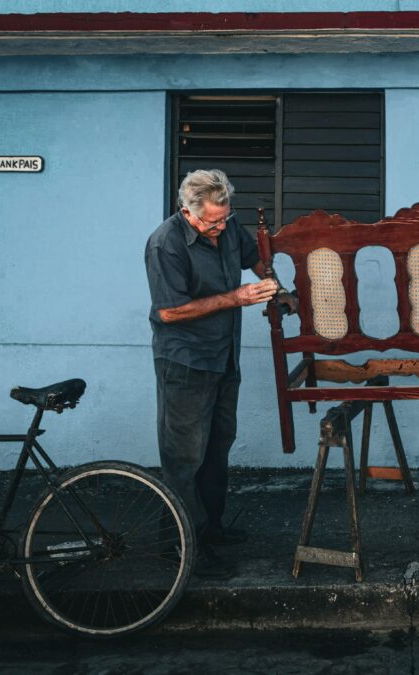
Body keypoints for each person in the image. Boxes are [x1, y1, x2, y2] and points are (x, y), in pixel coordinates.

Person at [144, 169, 285, 579]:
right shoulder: (165, 244)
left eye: (225, 218)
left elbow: (254, 256)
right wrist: (236, 298)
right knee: (183, 457)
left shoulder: (227, 226)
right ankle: (181, 546)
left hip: (224, 357)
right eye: (212, 221)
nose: (220, 227)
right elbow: (169, 311)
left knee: (217, 447)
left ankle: (212, 529)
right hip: (185, 362)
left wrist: (276, 285)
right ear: (186, 212)